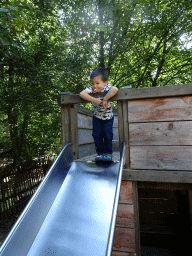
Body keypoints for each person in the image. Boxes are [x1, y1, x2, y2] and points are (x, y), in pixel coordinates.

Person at [80, 67, 118, 161]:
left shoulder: (107, 88)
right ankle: (100, 154)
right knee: (96, 135)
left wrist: (105, 98)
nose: (94, 85)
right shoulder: (92, 90)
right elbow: (82, 94)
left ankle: (108, 154)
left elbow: (115, 89)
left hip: (108, 118)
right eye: (92, 83)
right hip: (97, 117)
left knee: (108, 135)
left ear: (105, 82)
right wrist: (94, 100)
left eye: (97, 83)